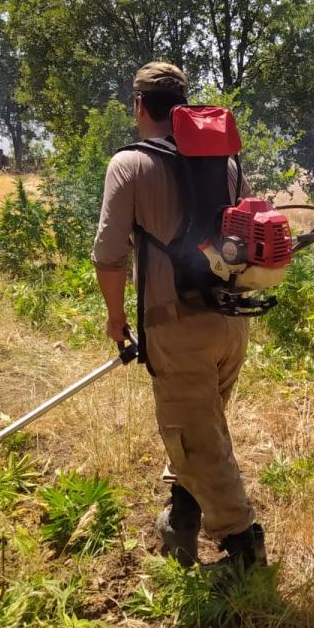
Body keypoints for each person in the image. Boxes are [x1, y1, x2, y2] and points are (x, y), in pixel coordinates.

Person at [91, 62, 265, 570]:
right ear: (184, 103)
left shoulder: (129, 164)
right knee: (201, 427)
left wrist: (115, 316)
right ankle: (181, 520)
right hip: (231, 322)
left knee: (195, 435)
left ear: (139, 105)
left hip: (176, 324)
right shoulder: (226, 163)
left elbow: (109, 255)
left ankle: (243, 547)